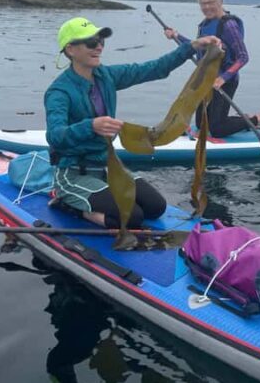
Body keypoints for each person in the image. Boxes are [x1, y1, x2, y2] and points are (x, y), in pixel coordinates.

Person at [45, 16, 221, 229]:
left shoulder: (106, 76)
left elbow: (154, 68)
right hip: (73, 174)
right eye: (91, 43)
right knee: (131, 217)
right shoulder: (59, 91)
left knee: (156, 207)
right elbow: (55, 135)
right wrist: (91, 126)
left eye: (101, 41)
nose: (99, 47)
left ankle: (91, 203)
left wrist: (191, 47)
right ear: (71, 49)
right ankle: (69, 205)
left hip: (106, 167)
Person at [165, 0, 260, 137]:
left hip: (225, 81)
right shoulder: (205, 24)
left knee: (217, 129)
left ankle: (259, 119)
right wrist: (176, 36)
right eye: (203, 3)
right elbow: (197, 47)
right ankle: (244, 119)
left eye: (211, 2)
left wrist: (223, 78)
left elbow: (243, 56)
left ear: (221, 1)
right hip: (207, 79)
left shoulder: (229, 25)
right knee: (201, 124)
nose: (207, 7)